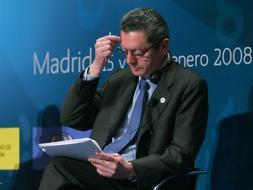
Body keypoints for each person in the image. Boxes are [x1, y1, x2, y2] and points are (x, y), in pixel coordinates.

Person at [39, 7, 208, 190]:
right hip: (102, 173)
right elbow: (73, 118)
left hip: (139, 180)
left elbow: (181, 155)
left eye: (138, 53)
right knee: (60, 166)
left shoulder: (189, 85)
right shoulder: (120, 80)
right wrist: (97, 66)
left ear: (163, 46)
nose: (129, 61)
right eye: (125, 52)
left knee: (61, 171)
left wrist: (130, 169)